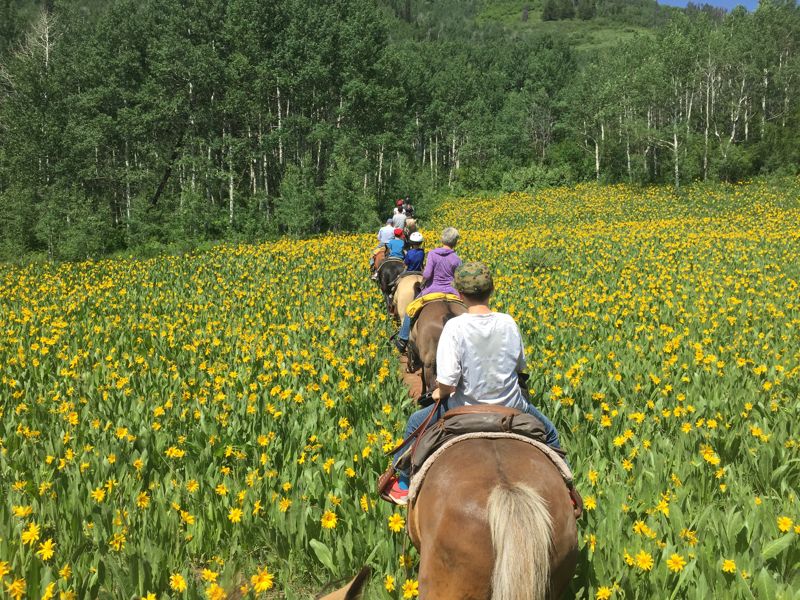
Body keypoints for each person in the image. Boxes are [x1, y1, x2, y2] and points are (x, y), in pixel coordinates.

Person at [386, 262, 566, 505]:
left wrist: (440, 391)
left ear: (460, 294)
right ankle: (567, 490)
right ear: (491, 291)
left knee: (414, 422)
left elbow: (448, 383)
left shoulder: (455, 327)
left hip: (464, 406)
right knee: (552, 434)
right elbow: (520, 366)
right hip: (512, 406)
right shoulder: (508, 322)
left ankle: (403, 483)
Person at [394, 227, 461, 353]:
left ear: (442, 239)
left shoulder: (433, 254)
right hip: (452, 292)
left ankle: (403, 339)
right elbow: (458, 278)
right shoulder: (457, 259)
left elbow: (427, 274)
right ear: (455, 241)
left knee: (410, 310)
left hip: (433, 289)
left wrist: (424, 284)